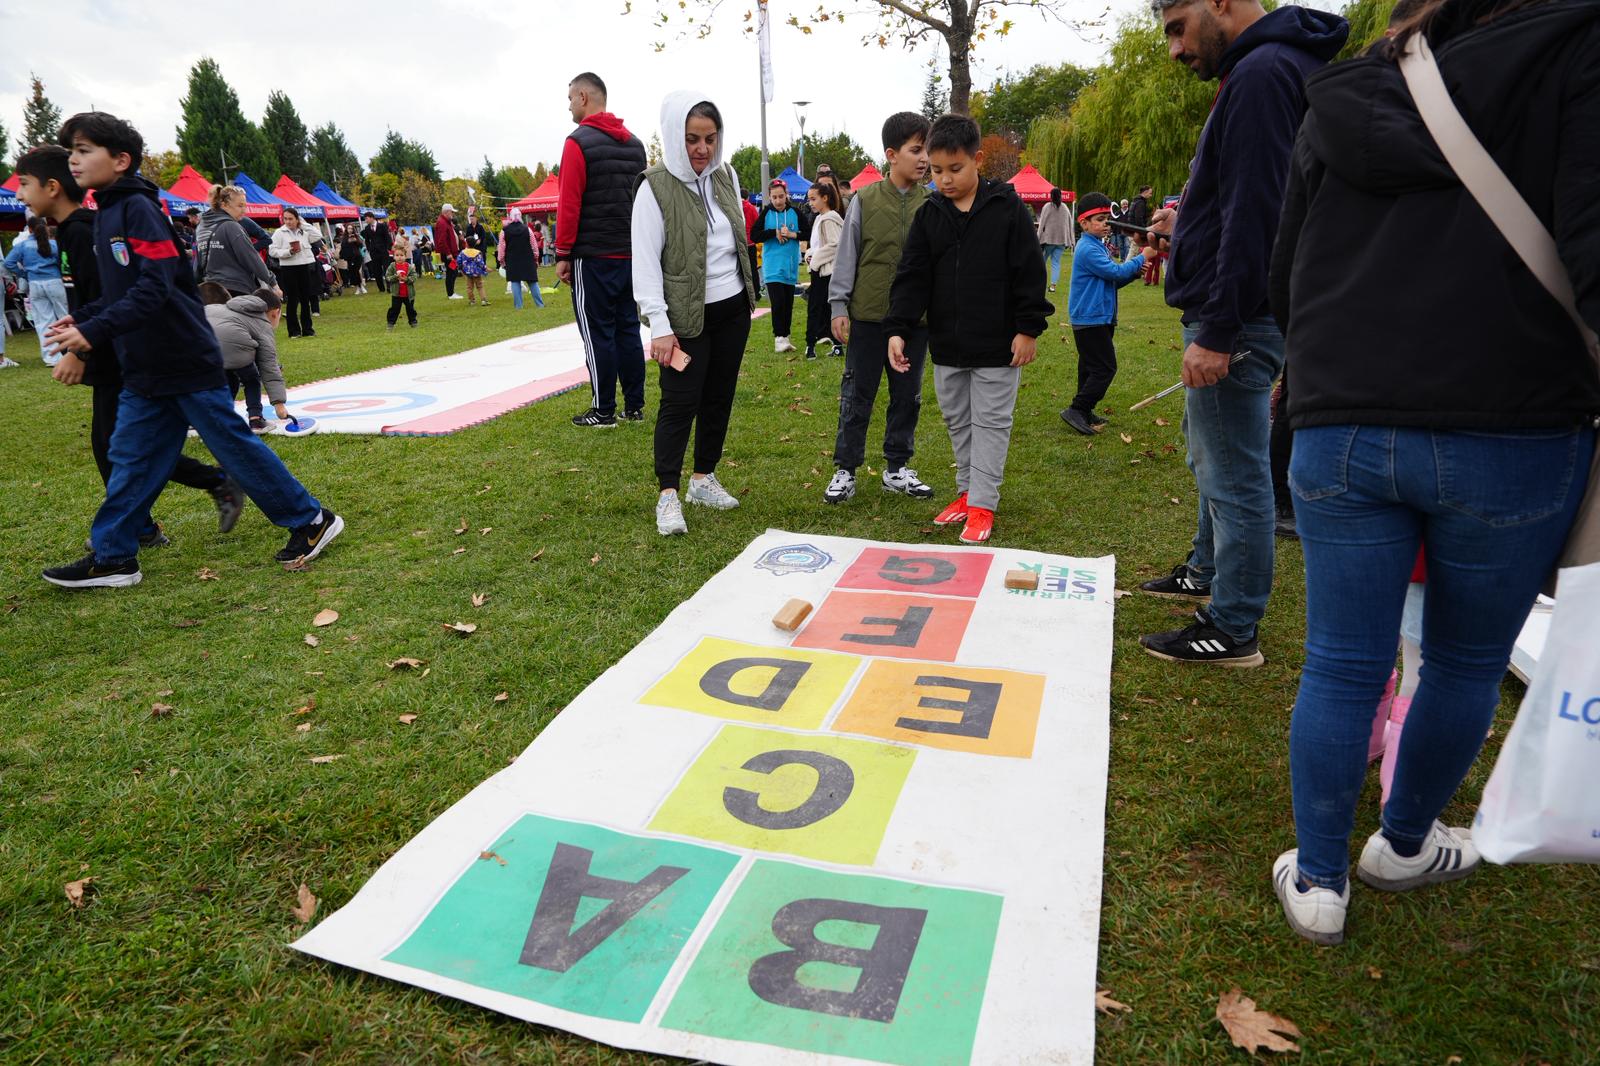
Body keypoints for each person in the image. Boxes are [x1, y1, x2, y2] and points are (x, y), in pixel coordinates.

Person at [1263, 0, 1599, 946]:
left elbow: (1286, 272)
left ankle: (1319, 879)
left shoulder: (1347, 89)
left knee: (1341, 660)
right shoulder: (1579, 54)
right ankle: (1403, 844)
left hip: (1344, 418)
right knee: (1464, 661)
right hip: (1515, 422)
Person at [41, 111, 342, 588]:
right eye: (71, 151)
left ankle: (311, 519)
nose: (73, 160)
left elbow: (156, 286)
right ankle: (115, 556)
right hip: (145, 365)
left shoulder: (138, 210)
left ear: (120, 160)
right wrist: (83, 317)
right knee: (129, 456)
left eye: (83, 150)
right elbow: (119, 292)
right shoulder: (105, 215)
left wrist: (95, 331)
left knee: (231, 443)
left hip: (182, 357)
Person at [1136, 0, 1348, 667]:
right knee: (1218, 457)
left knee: (1233, 470)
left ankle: (1232, 626)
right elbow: (1244, 198)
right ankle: (1206, 570)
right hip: (1243, 312)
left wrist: (1221, 329)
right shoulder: (1272, 66)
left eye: (1178, 28)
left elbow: (1260, 214)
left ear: (1222, 3)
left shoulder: (1262, 72)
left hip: (1240, 318)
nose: (1175, 49)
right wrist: (1187, 227)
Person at [17, 144, 242, 545]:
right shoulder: (72, 230)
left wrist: (79, 350)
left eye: (24, 184)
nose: (19, 194)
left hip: (119, 352)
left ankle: (154, 519)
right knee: (124, 445)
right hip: (110, 347)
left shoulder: (85, 231)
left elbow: (119, 295)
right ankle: (157, 516)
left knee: (122, 447)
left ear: (52, 187)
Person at [884, 113, 1052, 545]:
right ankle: (966, 491)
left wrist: (1028, 328)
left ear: (977, 160)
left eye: (955, 169)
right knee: (958, 421)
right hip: (948, 345)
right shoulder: (929, 214)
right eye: (937, 170)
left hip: (999, 345)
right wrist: (898, 328)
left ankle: (983, 503)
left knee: (991, 423)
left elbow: (1029, 272)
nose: (945, 179)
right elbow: (912, 275)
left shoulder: (1008, 208)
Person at [632, 91, 757, 536]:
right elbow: (646, 263)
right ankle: (667, 493)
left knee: (719, 396)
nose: (702, 148)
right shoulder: (653, 188)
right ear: (674, 136)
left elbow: (736, 239)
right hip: (684, 317)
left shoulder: (726, 175)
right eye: (691, 139)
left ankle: (703, 478)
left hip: (732, 309)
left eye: (709, 138)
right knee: (680, 402)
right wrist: (660, 326)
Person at [824, 111, 935, 505]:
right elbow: (847, 256)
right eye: (916, 150)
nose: (924, 159)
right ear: (892, 154)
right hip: (868, 318)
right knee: (857, 395)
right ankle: (845, 469)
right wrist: (839, 305)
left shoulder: (932, 203)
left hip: (915, 323)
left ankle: (897, 468)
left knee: (907, 396)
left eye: (926, 150)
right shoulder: (865, 200)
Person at [557, 71, 650, 428]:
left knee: (598, 332)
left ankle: (603, 409)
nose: (568, 106)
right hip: (630, 253)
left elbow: (570, 203)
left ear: (583, 97)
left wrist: (563, 253)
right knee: (628, 328)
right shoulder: (635, 145)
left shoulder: (577, 142)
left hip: (593, 254)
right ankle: (634, 405)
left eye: (570, 99)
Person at [1061, 193, 1160, 435]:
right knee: (1105, 368)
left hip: (1099, 317)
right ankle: (1077, 408)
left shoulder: (1098, 246)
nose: (1106, 223)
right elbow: (1114, 272)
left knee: (1088, 368)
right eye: (1100, 219)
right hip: (1090, 318)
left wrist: (1134, 273)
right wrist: (1142, 257)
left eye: (1108, 218)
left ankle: (1084, 411)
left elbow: (1112, 281)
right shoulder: (1087, 248)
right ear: (1084, 223)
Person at [199, 281, 291, 432]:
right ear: (275, 313)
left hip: (201, 341)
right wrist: (279, 405)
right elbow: (269, 366)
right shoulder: (262, 322)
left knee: (229, 378)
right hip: (230, 343)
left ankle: (213, 417)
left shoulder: (229, 309)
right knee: (251, 378)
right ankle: (256, 420)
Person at [4, 215, 69, 366]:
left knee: (43, 321)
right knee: (65, 317)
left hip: (34, 283)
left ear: (29, 229)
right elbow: (64, 261)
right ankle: (73, 351)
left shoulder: (23, 245)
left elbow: (8, 262)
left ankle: (51, 358)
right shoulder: (54, 244)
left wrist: (23, 274)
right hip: (55, 282)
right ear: (46, 227)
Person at [197, 185, 278, 299]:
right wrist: (273, 282)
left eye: (245, 206)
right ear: (224, 205)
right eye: (240, 206)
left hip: (210, 288)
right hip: (236, 287)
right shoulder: (231, 226)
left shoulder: (201, 227)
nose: (244, 210)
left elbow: (197, 259)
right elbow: (251, 257)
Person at [753, 179, 801, 353]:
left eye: (781, 196)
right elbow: (754, 235)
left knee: (788, 303)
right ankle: (779, 337)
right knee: (778, 302)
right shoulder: (766, 213)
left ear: (786, 195)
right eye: (774, 197)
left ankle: (785, 336)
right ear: (769, 197)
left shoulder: (795, 212)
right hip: (772, 266)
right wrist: (774, 232)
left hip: (790, 266)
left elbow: (808, 232)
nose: (778, 200)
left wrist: (792, 234)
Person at [802, 182, 844, 360]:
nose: (810, 203)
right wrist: (809, 255)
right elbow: (818, 245)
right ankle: (835, 345)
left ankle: (811, 345)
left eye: (814, 199)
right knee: (824, 308)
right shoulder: (820, 218)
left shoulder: (828, 219)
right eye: (809, 199)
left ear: (825, 198)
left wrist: (815, 260)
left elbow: (835, 245)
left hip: (825, 271)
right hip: (821, 269)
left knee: (817, 308)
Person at [268, 207, 321, 338]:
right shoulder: (279, 232)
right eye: (285, 219)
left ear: (297, 219)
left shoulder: (303, 231)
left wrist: (303, 224)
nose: (288, 221)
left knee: (305, 299)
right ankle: (294, 331)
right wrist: (288, 252)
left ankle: (308, 329)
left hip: (304, 266)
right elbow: (272, 251)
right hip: (288, 268)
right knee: (292, 299)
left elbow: (317, 235)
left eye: (291, 219)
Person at [499, 208, 545, 310]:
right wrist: (536, 258)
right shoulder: (527, 229)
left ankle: (518, 307)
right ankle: (540, 305)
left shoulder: (504, 231)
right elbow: (534, 246)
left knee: (515, 282)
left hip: (512, 260)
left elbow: (501, 249)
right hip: (528, 259)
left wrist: (502, 261)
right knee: (532, 282)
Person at [1036, 186, 1073, 293]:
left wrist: (1038, 238)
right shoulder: (1065, 207)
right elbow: (1070, 224)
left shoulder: (1047, 206)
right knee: (1056, 263)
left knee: (1042, 262)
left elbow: (1042, 224)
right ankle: (1052, 286)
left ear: (1051, 196)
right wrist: (1071, 240)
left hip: (1049, 240)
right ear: (1060, 196)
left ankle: (1040, 283)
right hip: (1062, 241)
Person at [385, 236, 420, 329]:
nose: (399, 257)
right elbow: (387, 277)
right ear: (394, 256)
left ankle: (413, 321)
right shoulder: (392, 266)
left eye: (401, 255)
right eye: (397, 255)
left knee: (410, 309)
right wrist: (395, 277)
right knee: (395, 309)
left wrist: (406, 279)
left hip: (408, 294)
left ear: (405, 256)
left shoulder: (409, 267)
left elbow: (414, 277)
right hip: (397, 294)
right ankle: (391, 323)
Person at [430, 204, 461, 299]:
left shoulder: (446, 222)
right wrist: (448, 253)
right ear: (446, 212)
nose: (453, 214)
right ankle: (450, 294)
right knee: (451, 272)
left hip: (451, 252)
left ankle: (451, 293)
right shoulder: (442, 223)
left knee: (453, 272)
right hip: (448, 253)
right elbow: (442, 241)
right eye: (451, 212)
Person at [364, 211, 393, 293]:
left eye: (366, 218)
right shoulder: (367, 228)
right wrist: (369, 249)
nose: (366, 220)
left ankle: (389, 287)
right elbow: (367, 240)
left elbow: (387, 237)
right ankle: (381, 288)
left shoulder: (382, 226)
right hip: (374, 252)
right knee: (376, 271)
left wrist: (388, 247)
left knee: (386, 269)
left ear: (372, 218)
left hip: (383, 251)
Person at [457, 235, 489, 305]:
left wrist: (460, 267)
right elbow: (480, 263)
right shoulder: (478, 252)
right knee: (480, 286)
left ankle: (472, 301)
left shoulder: (463, 252)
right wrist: (485, 269)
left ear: (466, 243)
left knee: (469, 287)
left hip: (467, 272)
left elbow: (459, 261)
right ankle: (483, 300)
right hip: (477, 272)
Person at [338, 224, 367, 294]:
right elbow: (343, 247)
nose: (350, 230)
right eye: (349, 228)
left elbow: (361, 245)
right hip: (350, 258)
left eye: (351, 228)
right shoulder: (344, 238)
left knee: (357, 271)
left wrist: (356, 240)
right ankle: (359, 287)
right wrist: (348, 241)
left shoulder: (356, 236)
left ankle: (361, 287)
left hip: (357, 256)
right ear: (346, 229)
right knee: (353, 272)